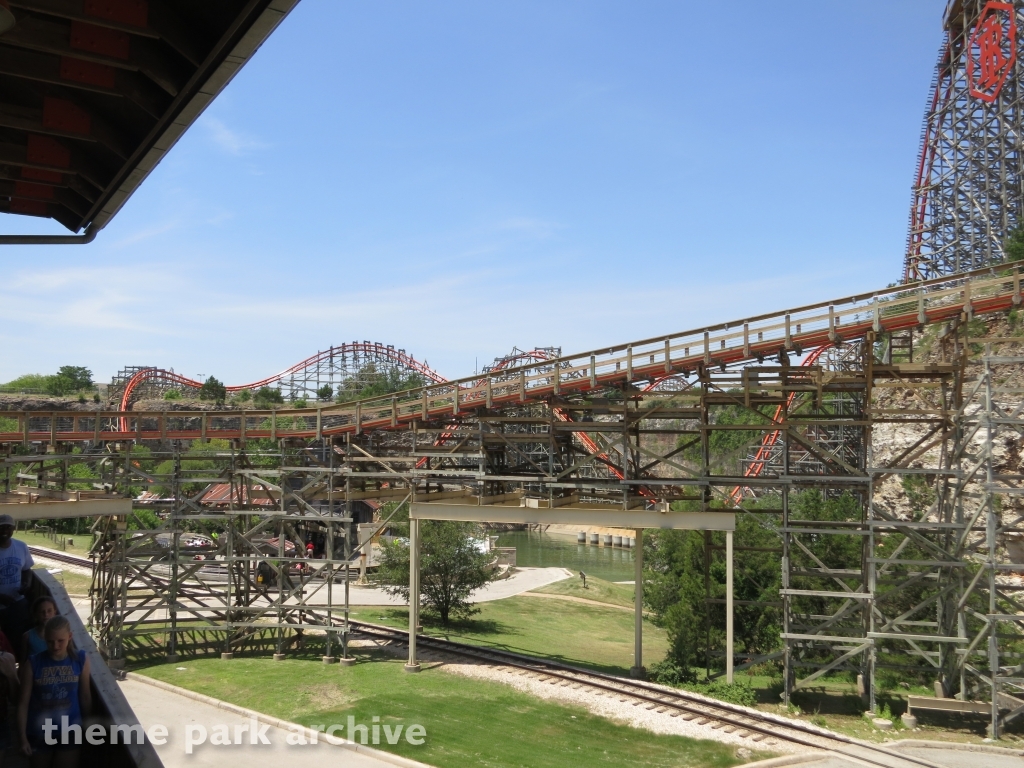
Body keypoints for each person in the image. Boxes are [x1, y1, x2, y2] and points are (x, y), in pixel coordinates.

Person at [18, 615, 91, 768]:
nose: (55, 646)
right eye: (50, 641)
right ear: (45, 638)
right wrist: (23, 737)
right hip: (39, 731)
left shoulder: (80, 659)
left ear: (69, 637)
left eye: (60, 641)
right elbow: (23, 702)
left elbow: (85, 696)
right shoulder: (33, 663)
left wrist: (90, 727)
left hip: (70, 729)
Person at [0, 515, 34, 650]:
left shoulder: (21, 546)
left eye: (8, 527)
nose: (4, 530)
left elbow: (27, 570)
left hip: (18, 602)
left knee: (19, 638)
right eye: (1, 527)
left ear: (13, 529)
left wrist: (27, 584)